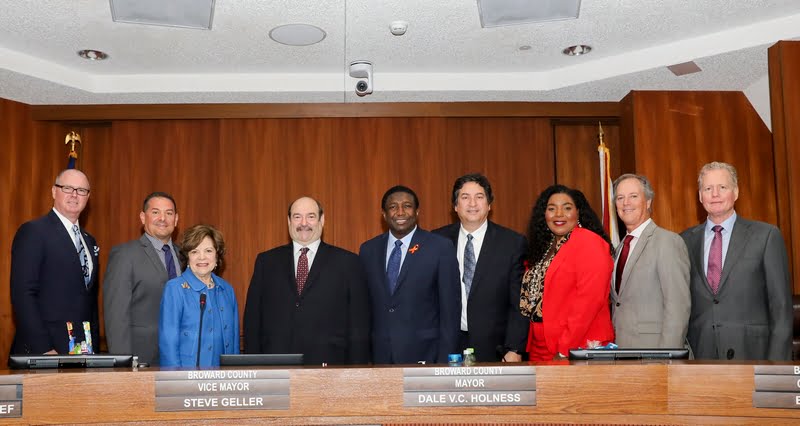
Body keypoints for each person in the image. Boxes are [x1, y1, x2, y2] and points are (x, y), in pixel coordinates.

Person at [680, 162, 792, 360]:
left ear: (736, 192)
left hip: (753, 355)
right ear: (700, 196)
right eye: (708, 188)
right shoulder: (684, 241)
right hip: (700, 357)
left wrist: (777, 365)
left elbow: (781, 308)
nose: (715, 194)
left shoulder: (766, 236)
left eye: (722, 187)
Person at [243, 197, 370, 364]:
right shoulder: (266, 262)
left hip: (331, 367)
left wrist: (356, 372)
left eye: (310, 216)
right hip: (277, 368)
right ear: (288, 221)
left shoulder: (347, 262)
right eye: (297, 217)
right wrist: (255, 369)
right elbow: (253, 320)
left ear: (321, 220)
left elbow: (359, 324)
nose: (304, 223)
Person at [359, 185, 461, 364]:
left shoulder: (439, 247)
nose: (400, 212)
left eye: (407, 206)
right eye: (393, 207)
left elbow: (450, 309)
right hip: (380, 357)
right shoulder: (368, 250)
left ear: (417, 212)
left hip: (426, 354)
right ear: (383, 214)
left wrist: (445, 361)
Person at [432, 173, 528, 362]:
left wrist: (515, 348)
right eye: (465, 197)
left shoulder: (512, 243)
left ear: (489, 205)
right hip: (446, 346)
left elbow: (519, 303)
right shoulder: (436, 241)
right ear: (455, 206)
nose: (472, 204)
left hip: (495, 348)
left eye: (479, 197)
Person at [10, 169, 100, 355]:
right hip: (45, 350)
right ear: (53, 191)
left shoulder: (89, 241)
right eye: (67, 188)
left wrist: (94, 351)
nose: (75, 195)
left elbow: (90, 302)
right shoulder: (34, 232)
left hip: (82, 350)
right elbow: (23, 294)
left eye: (81, 190)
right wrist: (44, 348)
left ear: (88, 197)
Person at [520, 184, 614, 361]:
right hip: (538, 347)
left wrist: (565, 349)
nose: (559, 214)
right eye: (551, 208)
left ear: (578, 212)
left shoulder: (589, 242)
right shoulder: (542, 248)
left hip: (577, 346)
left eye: (567, 208)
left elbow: (589, 301)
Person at [611, 174, 690, 348]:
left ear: (647, 202)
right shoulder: (620, 248)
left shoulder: (667, 242)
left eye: (633, 196)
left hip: (655, 354)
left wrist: (667, 359)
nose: (626, 203)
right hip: (622, 353)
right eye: (620, 198)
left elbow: (678, 307)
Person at [103, 192, 180, 365]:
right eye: (155, 212)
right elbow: (116, 316)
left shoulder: (185, 256)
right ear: (142, 217)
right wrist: (123, 363)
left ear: (176, 219)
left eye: (169, 213)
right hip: (141, 358)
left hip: (180, 357)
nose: (162, 218)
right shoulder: (125, 254)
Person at [159, 224, 239, 367]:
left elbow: (233, 341)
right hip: (187, 379)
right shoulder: (175, 289)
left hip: (223, 379)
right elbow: (168, 344)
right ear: (188, 257)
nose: (202, 257)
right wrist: (174, 383)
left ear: (217, 255)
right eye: (194, 251)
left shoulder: (227, 289)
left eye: (208, 250)